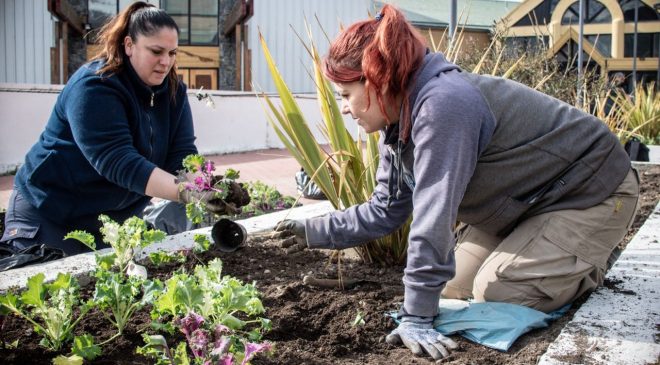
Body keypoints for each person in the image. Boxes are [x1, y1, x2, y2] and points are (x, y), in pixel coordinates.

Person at [274, 5, 639, 361]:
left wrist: (417, 319)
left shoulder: (444, 105)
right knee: (454, 288)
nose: (344, 108)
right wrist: (313, 232)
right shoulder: (397, 123)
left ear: (376, 82)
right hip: (526, 204)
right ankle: (550, 255)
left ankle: (586, 265)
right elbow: (385, 210)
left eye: (346, 95)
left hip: (590, 191)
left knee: (500, 292)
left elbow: (433, 220)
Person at [0, 2, 225, 261]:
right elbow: (118, 161)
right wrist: (188, 192)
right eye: (156, 51)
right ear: (129, 45)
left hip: (112, 221)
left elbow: (182, 155)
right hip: (50, 213)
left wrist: (205, 186)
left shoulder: (173, 90)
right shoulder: (95, 86)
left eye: (173, 52)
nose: (166, 62)